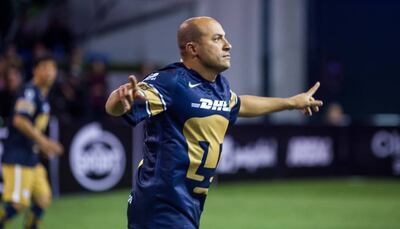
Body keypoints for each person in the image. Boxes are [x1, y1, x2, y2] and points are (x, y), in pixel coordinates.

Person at [105, 16, 323, 229]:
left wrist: (291, 102)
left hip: (187, 207)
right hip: (161, 206)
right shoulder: (171, 82)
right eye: (217, 39)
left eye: (225, 38)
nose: (228, 45)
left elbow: (242, 104)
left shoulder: (219, 86)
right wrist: (119, 100)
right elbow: (121, 102)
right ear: (193, 49)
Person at [0, 56, 63, 229]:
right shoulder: (29, 91)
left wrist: (40, 146)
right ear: (35, 70)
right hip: (17, 156)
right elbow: (20, 121)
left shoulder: (42, 96)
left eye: (52, 68)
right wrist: (44, 142)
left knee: (43, 198)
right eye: (44, 67)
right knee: (17, 204)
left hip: (31, 157)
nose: (49, 72)